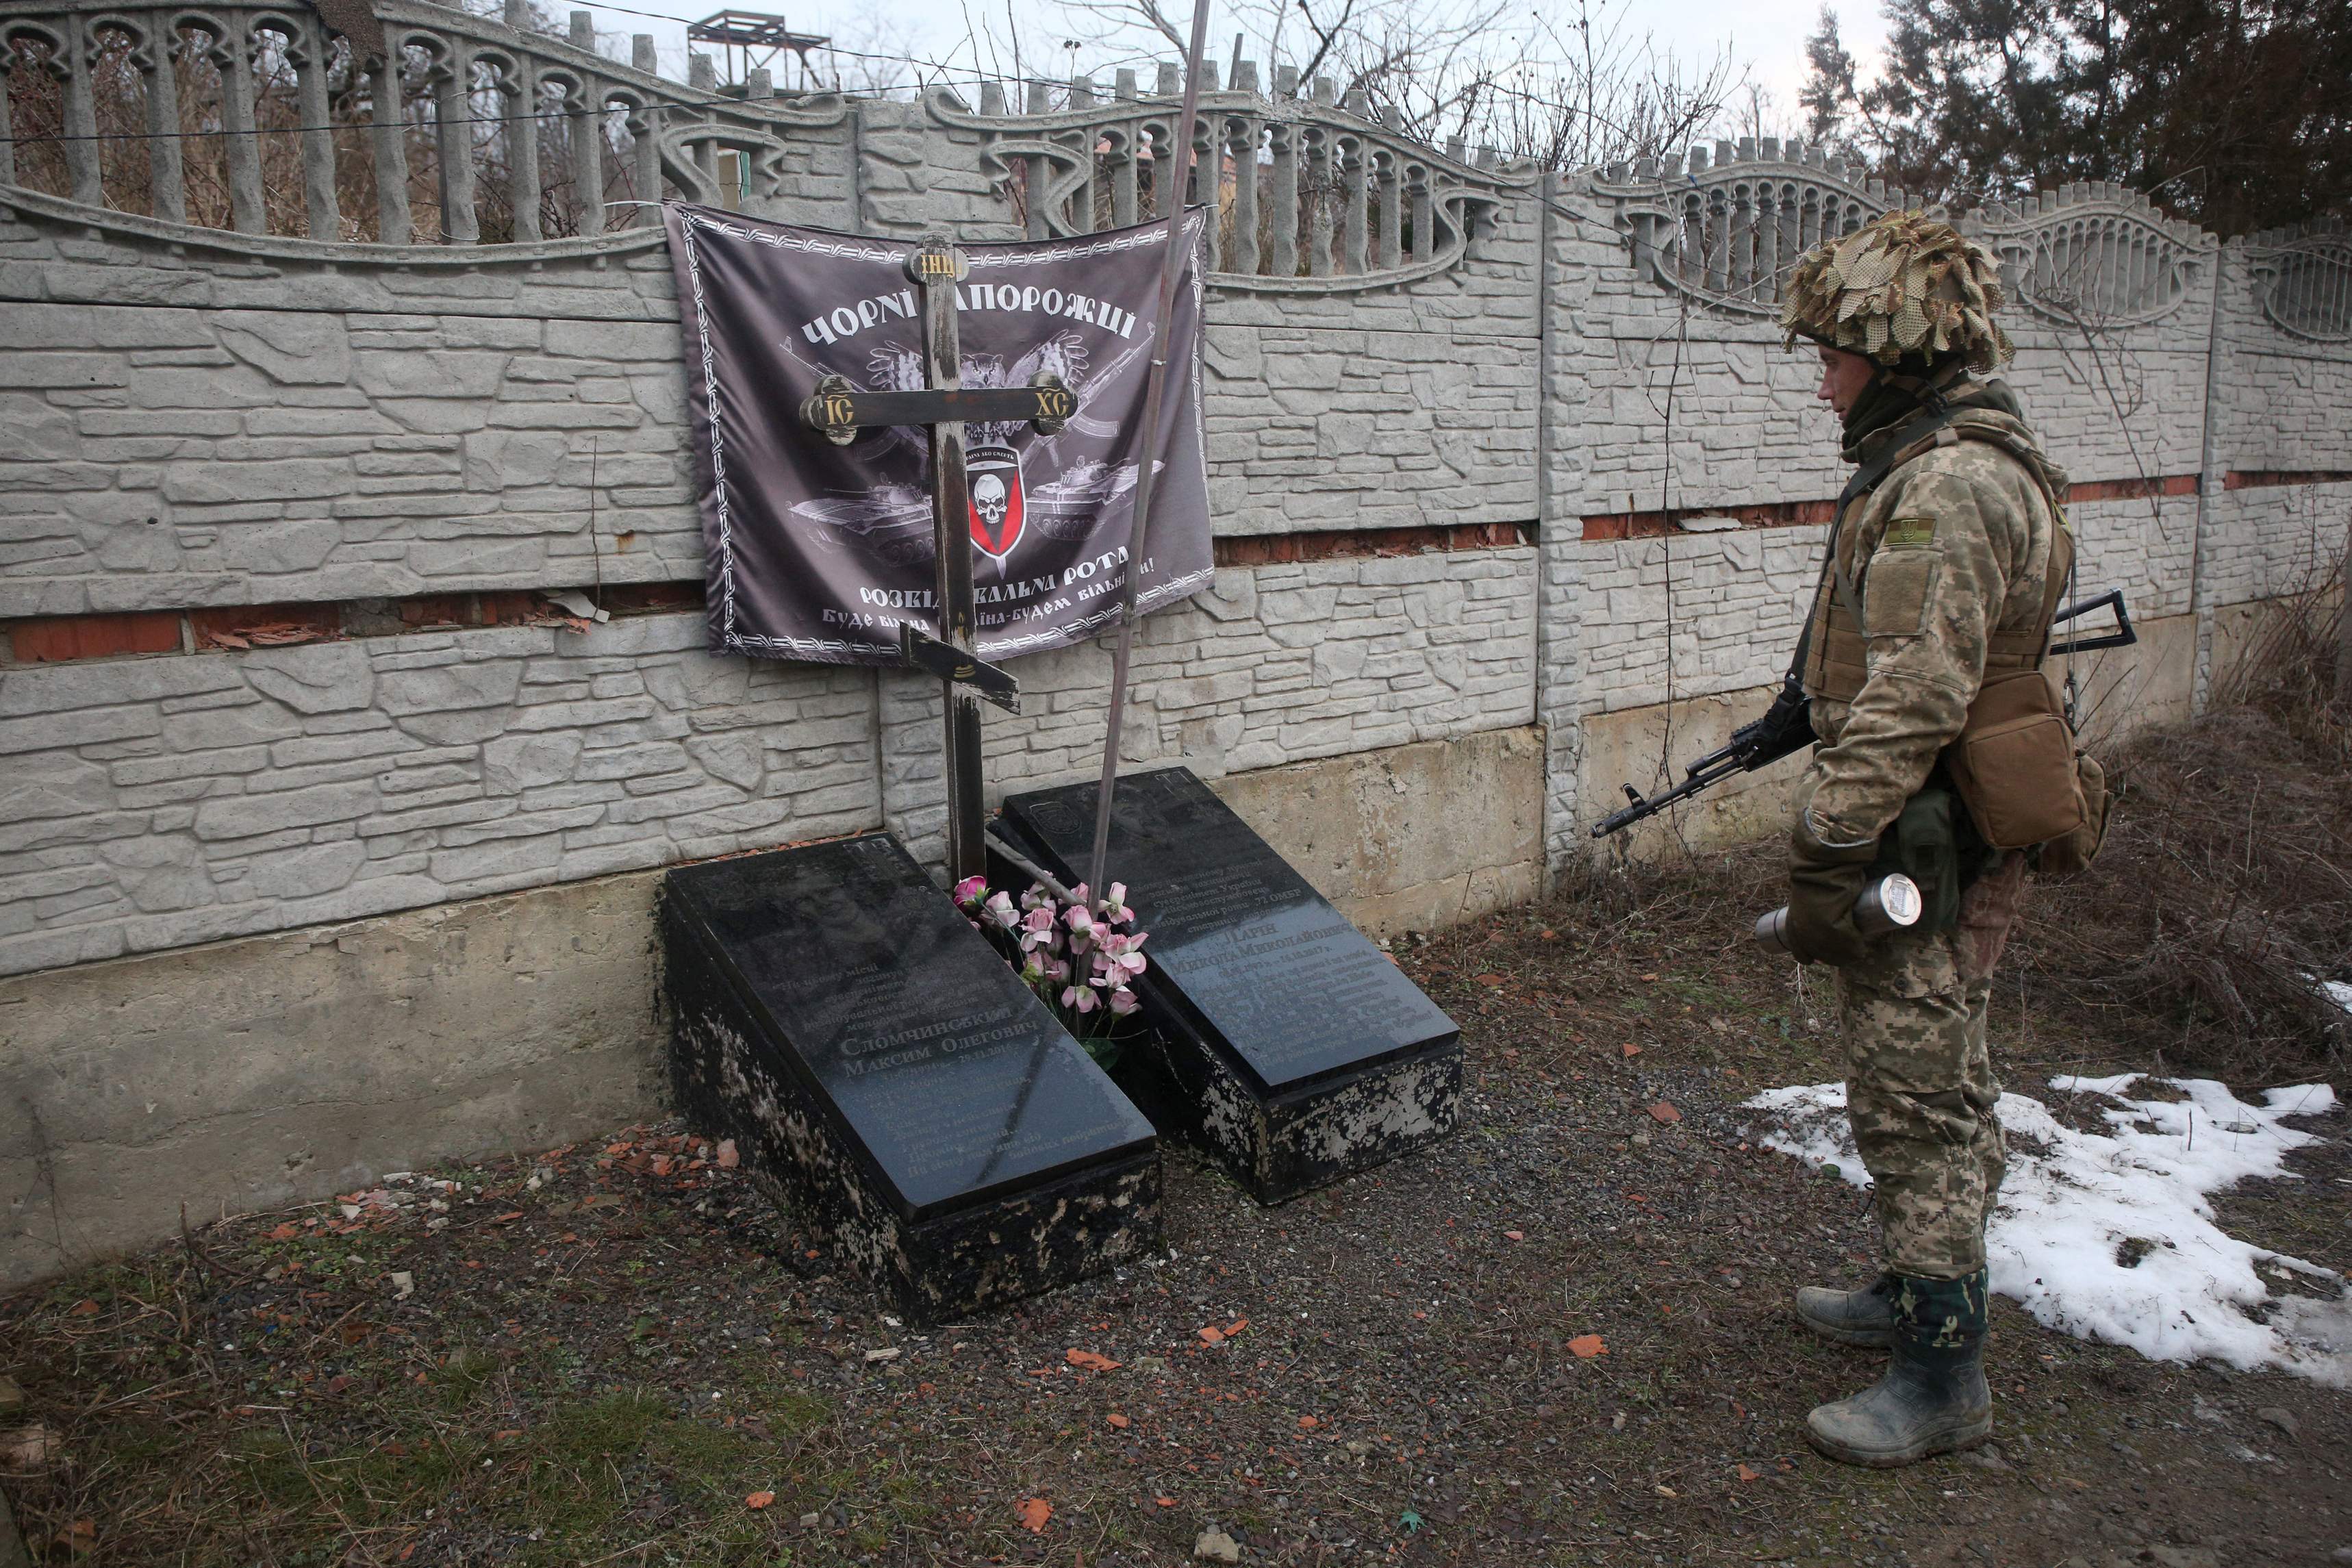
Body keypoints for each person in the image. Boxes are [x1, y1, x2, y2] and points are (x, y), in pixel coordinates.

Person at [1771, 210, 2076, 1468]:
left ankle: (1944, 1374)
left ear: (1899, 357)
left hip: (1922, 834)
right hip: (1925, 818)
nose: (1823, 373)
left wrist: (1826, 837)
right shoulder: (1933, 459)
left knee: (1918, 1092)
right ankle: (1914, 1287)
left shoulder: (1948, 483)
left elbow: (1918, 690)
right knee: (1932, 1074)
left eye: (1838, 351)